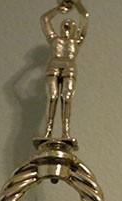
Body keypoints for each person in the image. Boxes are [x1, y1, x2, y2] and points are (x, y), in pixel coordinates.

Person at [41, 1, 88, 140]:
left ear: (75, 29)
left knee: (66, 98)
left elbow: (85, 16)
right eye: (65, 26)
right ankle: (48, 130)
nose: (67, 29)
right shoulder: (54, 39)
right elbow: (45, 20)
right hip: (54, 66)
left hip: (69, 68)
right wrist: (58, 9)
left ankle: (65, 132)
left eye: (70, 26)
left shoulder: (77, 41)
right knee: (53, 96)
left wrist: (76, 2)